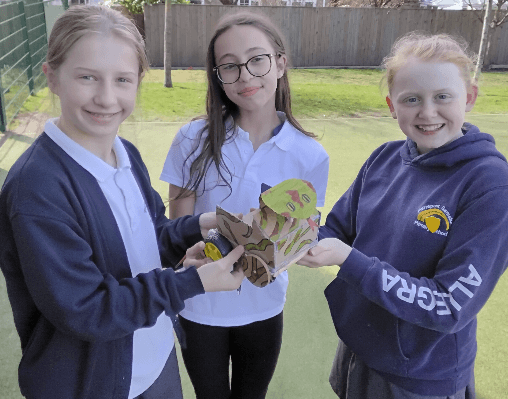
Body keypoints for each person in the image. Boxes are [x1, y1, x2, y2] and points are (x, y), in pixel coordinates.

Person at [0, 5, 245, 399]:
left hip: (154, 360)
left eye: (123, 80)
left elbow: (152, 235)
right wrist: (189, 283)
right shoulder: (36, 189)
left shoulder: (125, 152)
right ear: (52, 77)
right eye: (87, 77)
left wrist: (202, 224)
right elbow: (86, 308)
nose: (106, 97)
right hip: (92, 383)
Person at [298, 32, 508, 399]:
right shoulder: (384, 158)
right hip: (359, 348)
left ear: (469, 97)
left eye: (443, 96)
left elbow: (447, 304)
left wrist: (348, 260)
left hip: (422, 375)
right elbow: (336, 229)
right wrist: (292, 236)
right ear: (392, 105)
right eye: (411, 99)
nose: (427, 112)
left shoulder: (490, 184)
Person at [160, 11, 329, 399]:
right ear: (217, 77)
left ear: (280, 63)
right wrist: (205, 253)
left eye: (257, 60)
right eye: (229, 67)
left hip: (264, 307)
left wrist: (286, 246)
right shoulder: (192, 139)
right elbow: (178, 230)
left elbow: (300, 232)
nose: (246, 76)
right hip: (200, 305)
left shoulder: (310, 154)